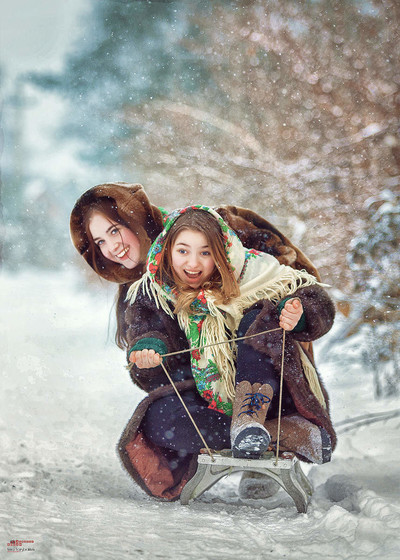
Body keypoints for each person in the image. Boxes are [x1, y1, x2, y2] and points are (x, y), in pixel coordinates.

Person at [70, 184, 336, 501]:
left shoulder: (214, 230)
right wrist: (150, 351)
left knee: (257, 320)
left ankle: (258, 420)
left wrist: (297, 314)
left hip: (272, 374)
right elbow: (152, 352)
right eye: (100, 241)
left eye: (115, 230)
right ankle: (278, 435)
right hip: (208, 393)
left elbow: (300, 281)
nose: (112, 247)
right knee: (158, 419)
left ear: (134, 217)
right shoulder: (144, 290)